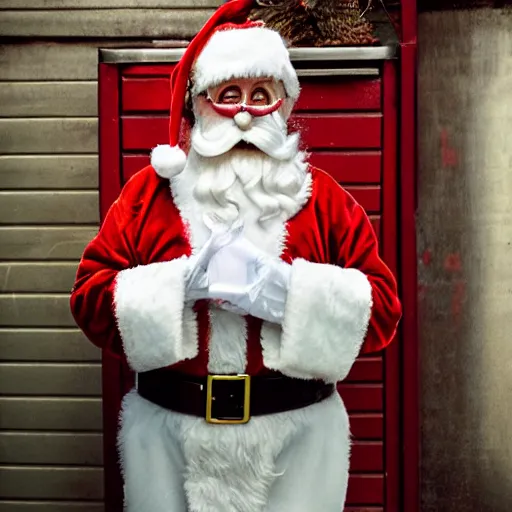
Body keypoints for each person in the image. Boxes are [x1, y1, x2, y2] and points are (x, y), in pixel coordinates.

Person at [70, 0, 402, 510]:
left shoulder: (326, 198)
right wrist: (180, 286)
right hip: (168, 449)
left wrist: (291, 296)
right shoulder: (149, 195)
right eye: (228, 95)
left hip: (298, 453)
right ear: (199, 103)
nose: (245, 112)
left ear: (284, 105)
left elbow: (383, 313)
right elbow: (89, 299)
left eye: (261, 95)